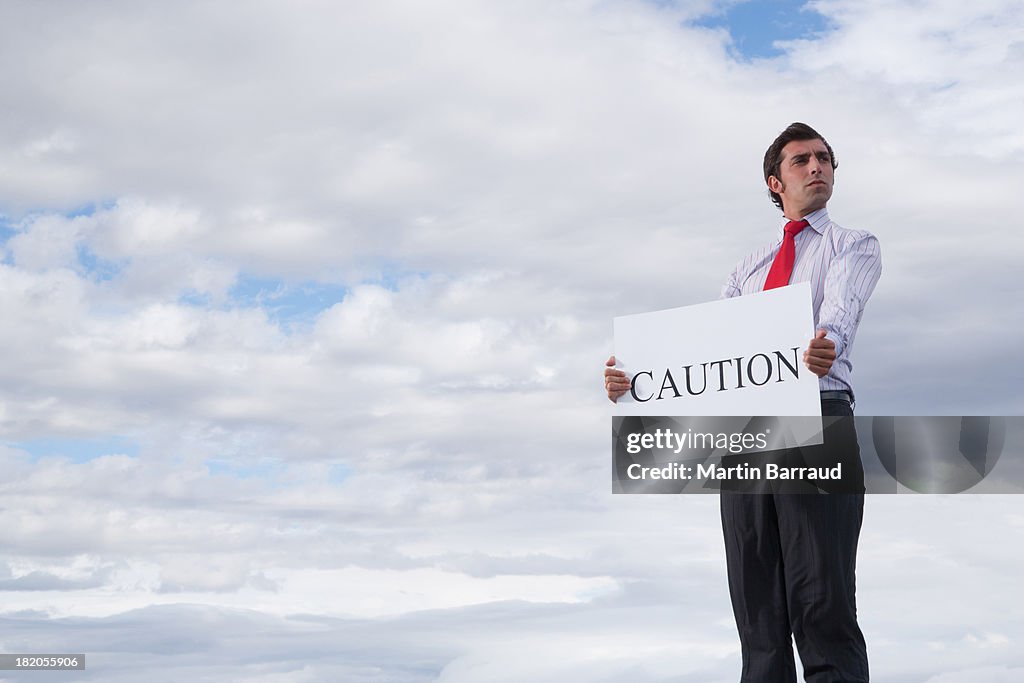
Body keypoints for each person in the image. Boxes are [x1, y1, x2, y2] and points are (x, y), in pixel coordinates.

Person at [604, 122, 881, 682]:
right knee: (757, 606)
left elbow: (840, 312)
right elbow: (710, 356)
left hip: (817, 419)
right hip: (747, 431)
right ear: (775, 182)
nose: (817, 168)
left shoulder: (853, 244)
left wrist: (826, 342)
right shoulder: (746, 270)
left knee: (821, 595)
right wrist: (631, 382)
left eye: (825, 159)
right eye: (801, 161)